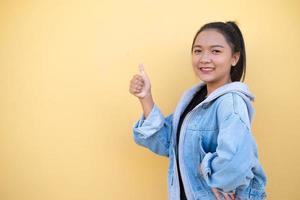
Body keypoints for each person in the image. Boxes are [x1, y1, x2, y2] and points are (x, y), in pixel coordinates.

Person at [129, 21, 267, 200]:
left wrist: (216, 176)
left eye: (215, 51)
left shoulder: (231, 102)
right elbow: (168, 145)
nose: (204, 58)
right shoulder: (193, 100)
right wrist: (145, 97)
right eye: (198, 50)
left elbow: (235, 160)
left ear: (234, 58)